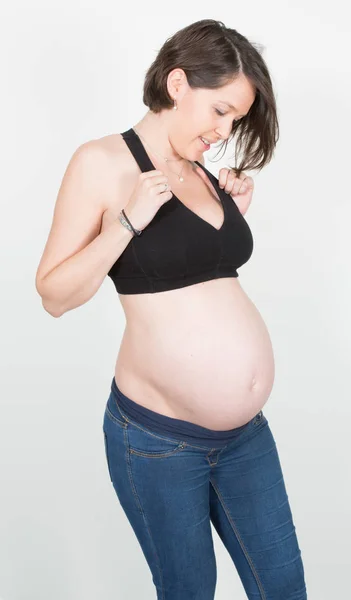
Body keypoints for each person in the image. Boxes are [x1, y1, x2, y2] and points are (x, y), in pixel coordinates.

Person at [35, 18, 307, 600]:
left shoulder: (200, 171)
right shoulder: (103, 162)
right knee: (188, 592)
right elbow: (54, 296)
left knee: (284, 588)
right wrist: (126, 221)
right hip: (159, 441)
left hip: (246, 438)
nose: (224, 129)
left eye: (235, 118)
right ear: (178, 83)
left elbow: (185, 275)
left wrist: (231, 216)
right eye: (220, 110)